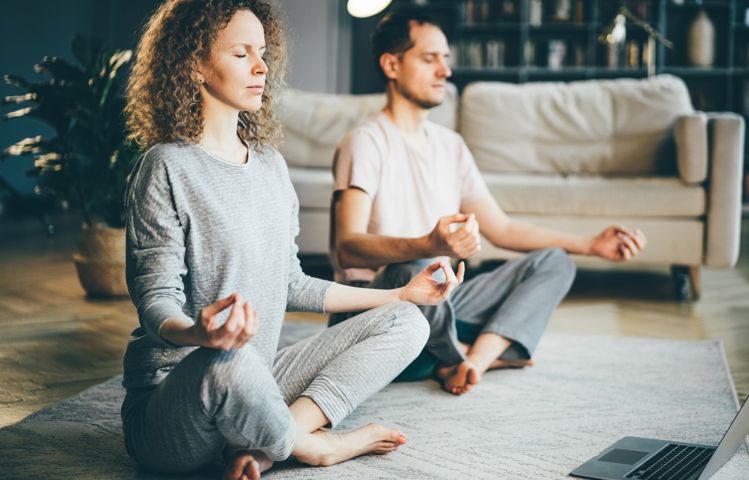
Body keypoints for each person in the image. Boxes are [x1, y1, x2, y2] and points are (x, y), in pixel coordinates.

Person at [121, 2, 464, 479]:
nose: (262, 67)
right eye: (241, 54)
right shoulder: (165, 167)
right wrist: (202, 334)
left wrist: (400, 293)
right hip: (181, 400)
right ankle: (314, 445)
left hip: (260, 381)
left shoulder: (269, 165)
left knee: (408, 322)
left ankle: (269, 441)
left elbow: (293, 283)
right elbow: (155, 301)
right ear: (195, 64)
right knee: (229, 362)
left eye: (262, 52)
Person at [330, 12, 647, 396]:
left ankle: (471, 362)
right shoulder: (366, 141)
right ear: (392, 64)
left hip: (437, 302)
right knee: (422, 266)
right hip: (375, 308)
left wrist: (590, 244)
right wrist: (429, 245)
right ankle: (460, 355)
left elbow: (503, 229)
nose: (445, 71)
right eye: (430, 59)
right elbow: (348, 247)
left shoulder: (451, 146)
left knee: (555, 261)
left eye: (446, 59)